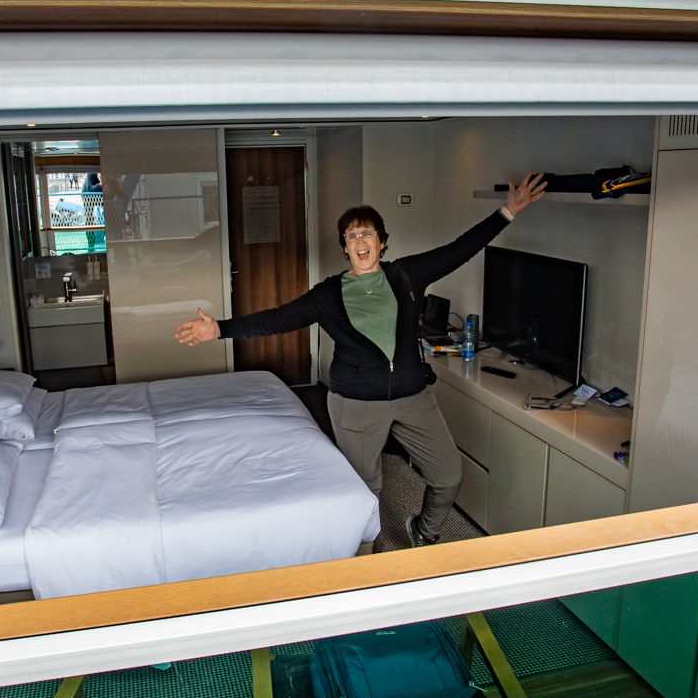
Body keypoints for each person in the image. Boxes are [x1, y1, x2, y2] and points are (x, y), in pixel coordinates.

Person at [176, 173, 548, 547]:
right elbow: (279, 318)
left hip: (413, 396)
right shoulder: (329, 294)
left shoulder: (408, 275)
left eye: (367, 233)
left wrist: (506, 213)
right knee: (364, 491)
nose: (359, 241)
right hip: (356, 402)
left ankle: (424, 530)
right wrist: (220, 328)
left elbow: (459, 250)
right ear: (345, 247)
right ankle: (366, 560)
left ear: (381, 242)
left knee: (448, 475)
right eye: (351, 236)